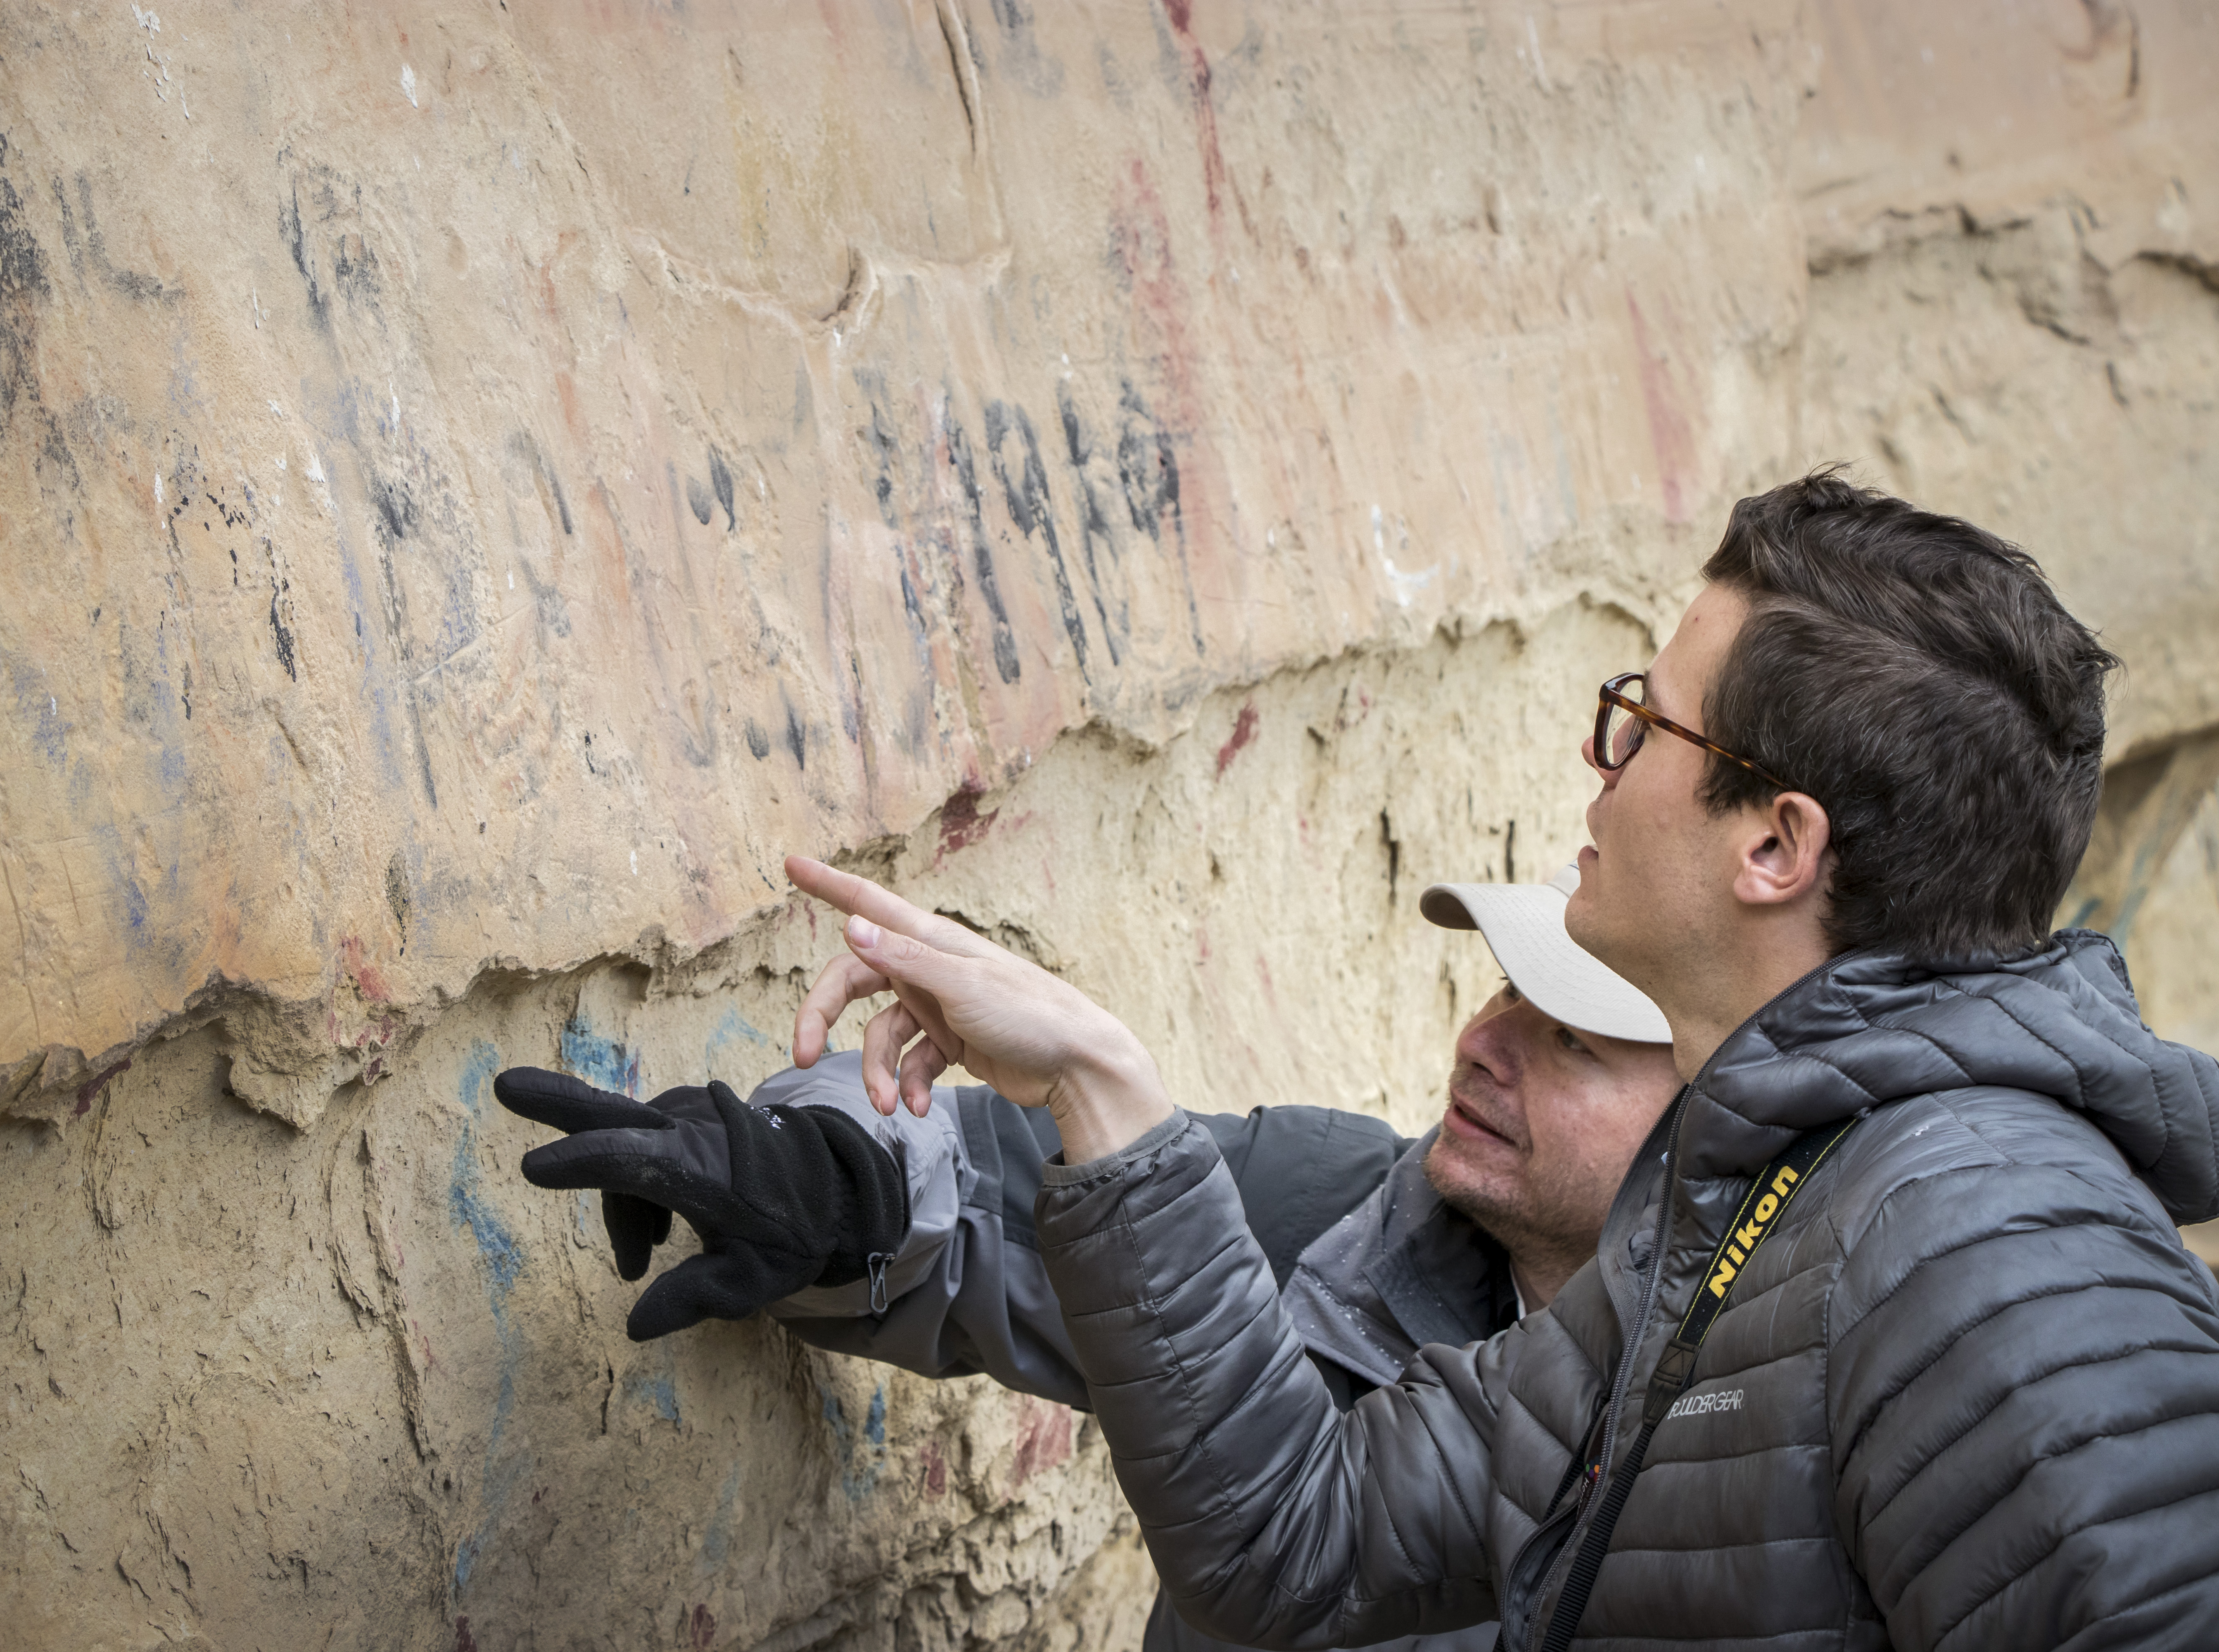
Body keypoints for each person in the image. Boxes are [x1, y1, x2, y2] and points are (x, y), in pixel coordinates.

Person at [759, 471, 2219, 1650]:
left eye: (1643, 724)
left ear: (1777, 846)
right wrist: (1097, 1077)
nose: (1603, 767)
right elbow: (1297, 1541)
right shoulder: (1736, 1217)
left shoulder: (1987, 1241)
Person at [493, 868, 1680, 1652]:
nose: (1483, 1045)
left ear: (1707, 1123)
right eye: (1503, 994)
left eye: (1571, 1040)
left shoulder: (1746, 1452)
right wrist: (823, 1178)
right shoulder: (1338, 1215)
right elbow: (981, 1196)